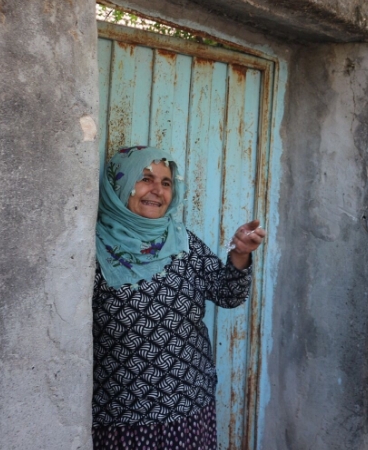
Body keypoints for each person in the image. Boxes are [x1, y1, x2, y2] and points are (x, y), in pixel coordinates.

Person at [91, 146, 266, 450]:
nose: (157, 191)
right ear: (119, 183)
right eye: (145, 179)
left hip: (189, 408)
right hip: (124, 417)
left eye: (166, 183)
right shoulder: (92, 249)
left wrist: (240, 254)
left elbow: (227, 293)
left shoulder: (182, 242)